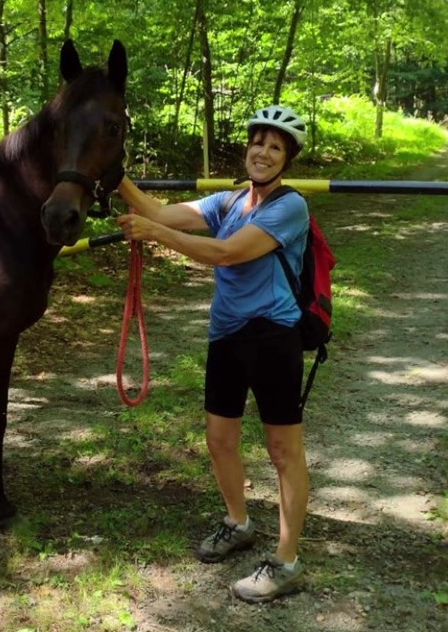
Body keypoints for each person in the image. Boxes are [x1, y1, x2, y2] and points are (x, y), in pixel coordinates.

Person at [115, 105, 311, 603]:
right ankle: (238, 522)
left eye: (275, 146)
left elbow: (226, 253)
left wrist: (157, 235)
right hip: (226, 334)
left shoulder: (290, 208)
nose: (263, 153)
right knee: (220, 438)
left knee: (283, 450)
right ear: (246, 148)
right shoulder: (227, 201)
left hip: (273, 336)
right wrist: (114, 174)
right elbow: (158, 213)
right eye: (258, 143)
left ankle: (287, 561)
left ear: (287, 159)